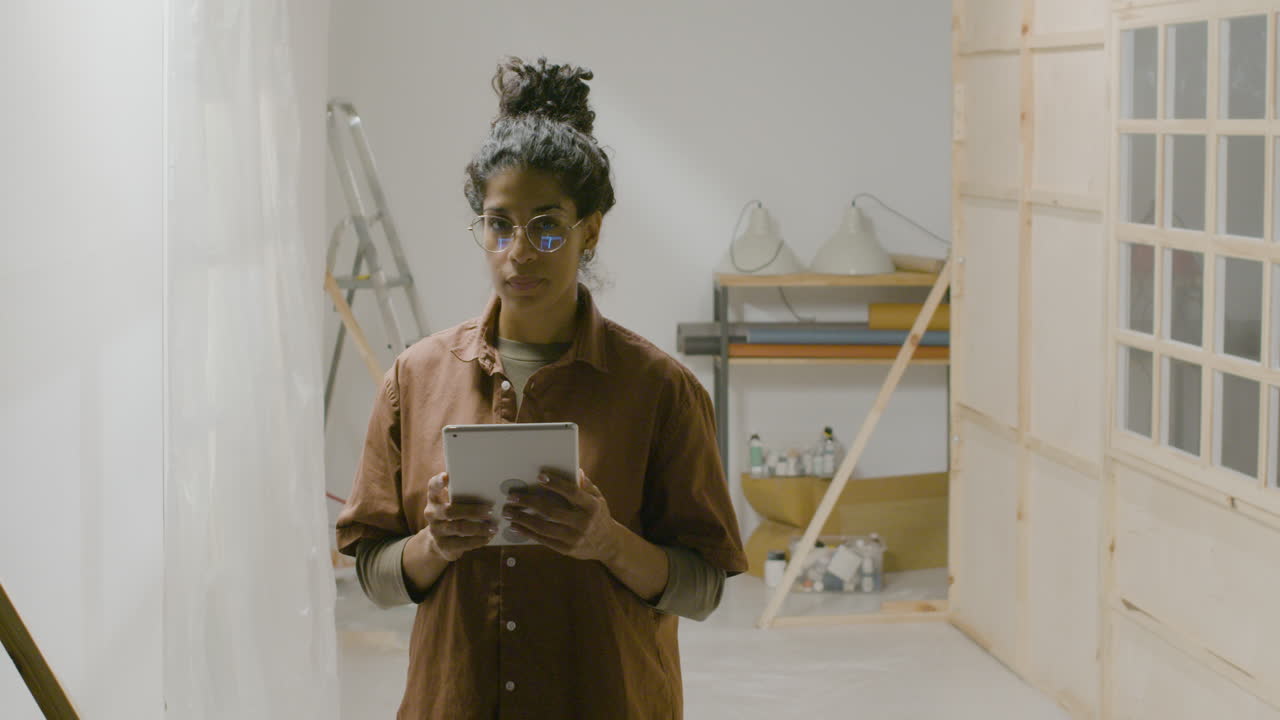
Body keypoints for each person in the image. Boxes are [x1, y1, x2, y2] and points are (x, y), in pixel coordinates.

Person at [335, 56, 747, 720]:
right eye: (500, 225)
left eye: (547, 226)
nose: (519, 252)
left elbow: (702, 589)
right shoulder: (415, 380)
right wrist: (433, 545)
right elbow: (372, 576)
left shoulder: (659, 391)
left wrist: (606, 540)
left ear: (590, 229)